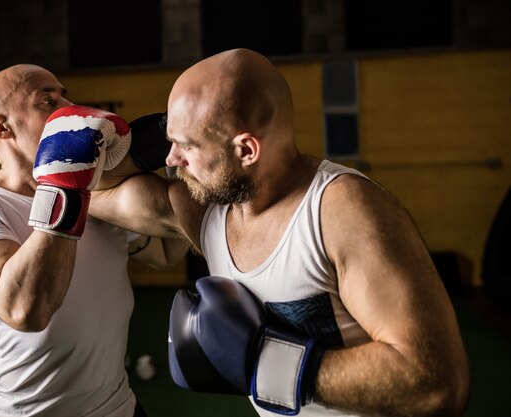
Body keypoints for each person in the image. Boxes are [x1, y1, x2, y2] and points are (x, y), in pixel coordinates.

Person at [88, 49, 471, 416]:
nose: (172, 161)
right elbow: (94, 188)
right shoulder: (207, 212)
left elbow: (436, 382)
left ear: (246, 150)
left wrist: (265, 363)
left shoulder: (339, 212)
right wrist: (170, 131)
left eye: (185, 147)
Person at [0, 64, 187, 417]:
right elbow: (27, 309)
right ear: (0, 126)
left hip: (121, 407)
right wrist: (65, 187)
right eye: (47, 100)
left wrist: (182, 159)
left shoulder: (94, 191)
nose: (68, 106)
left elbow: (165, 252)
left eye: (64, 94)